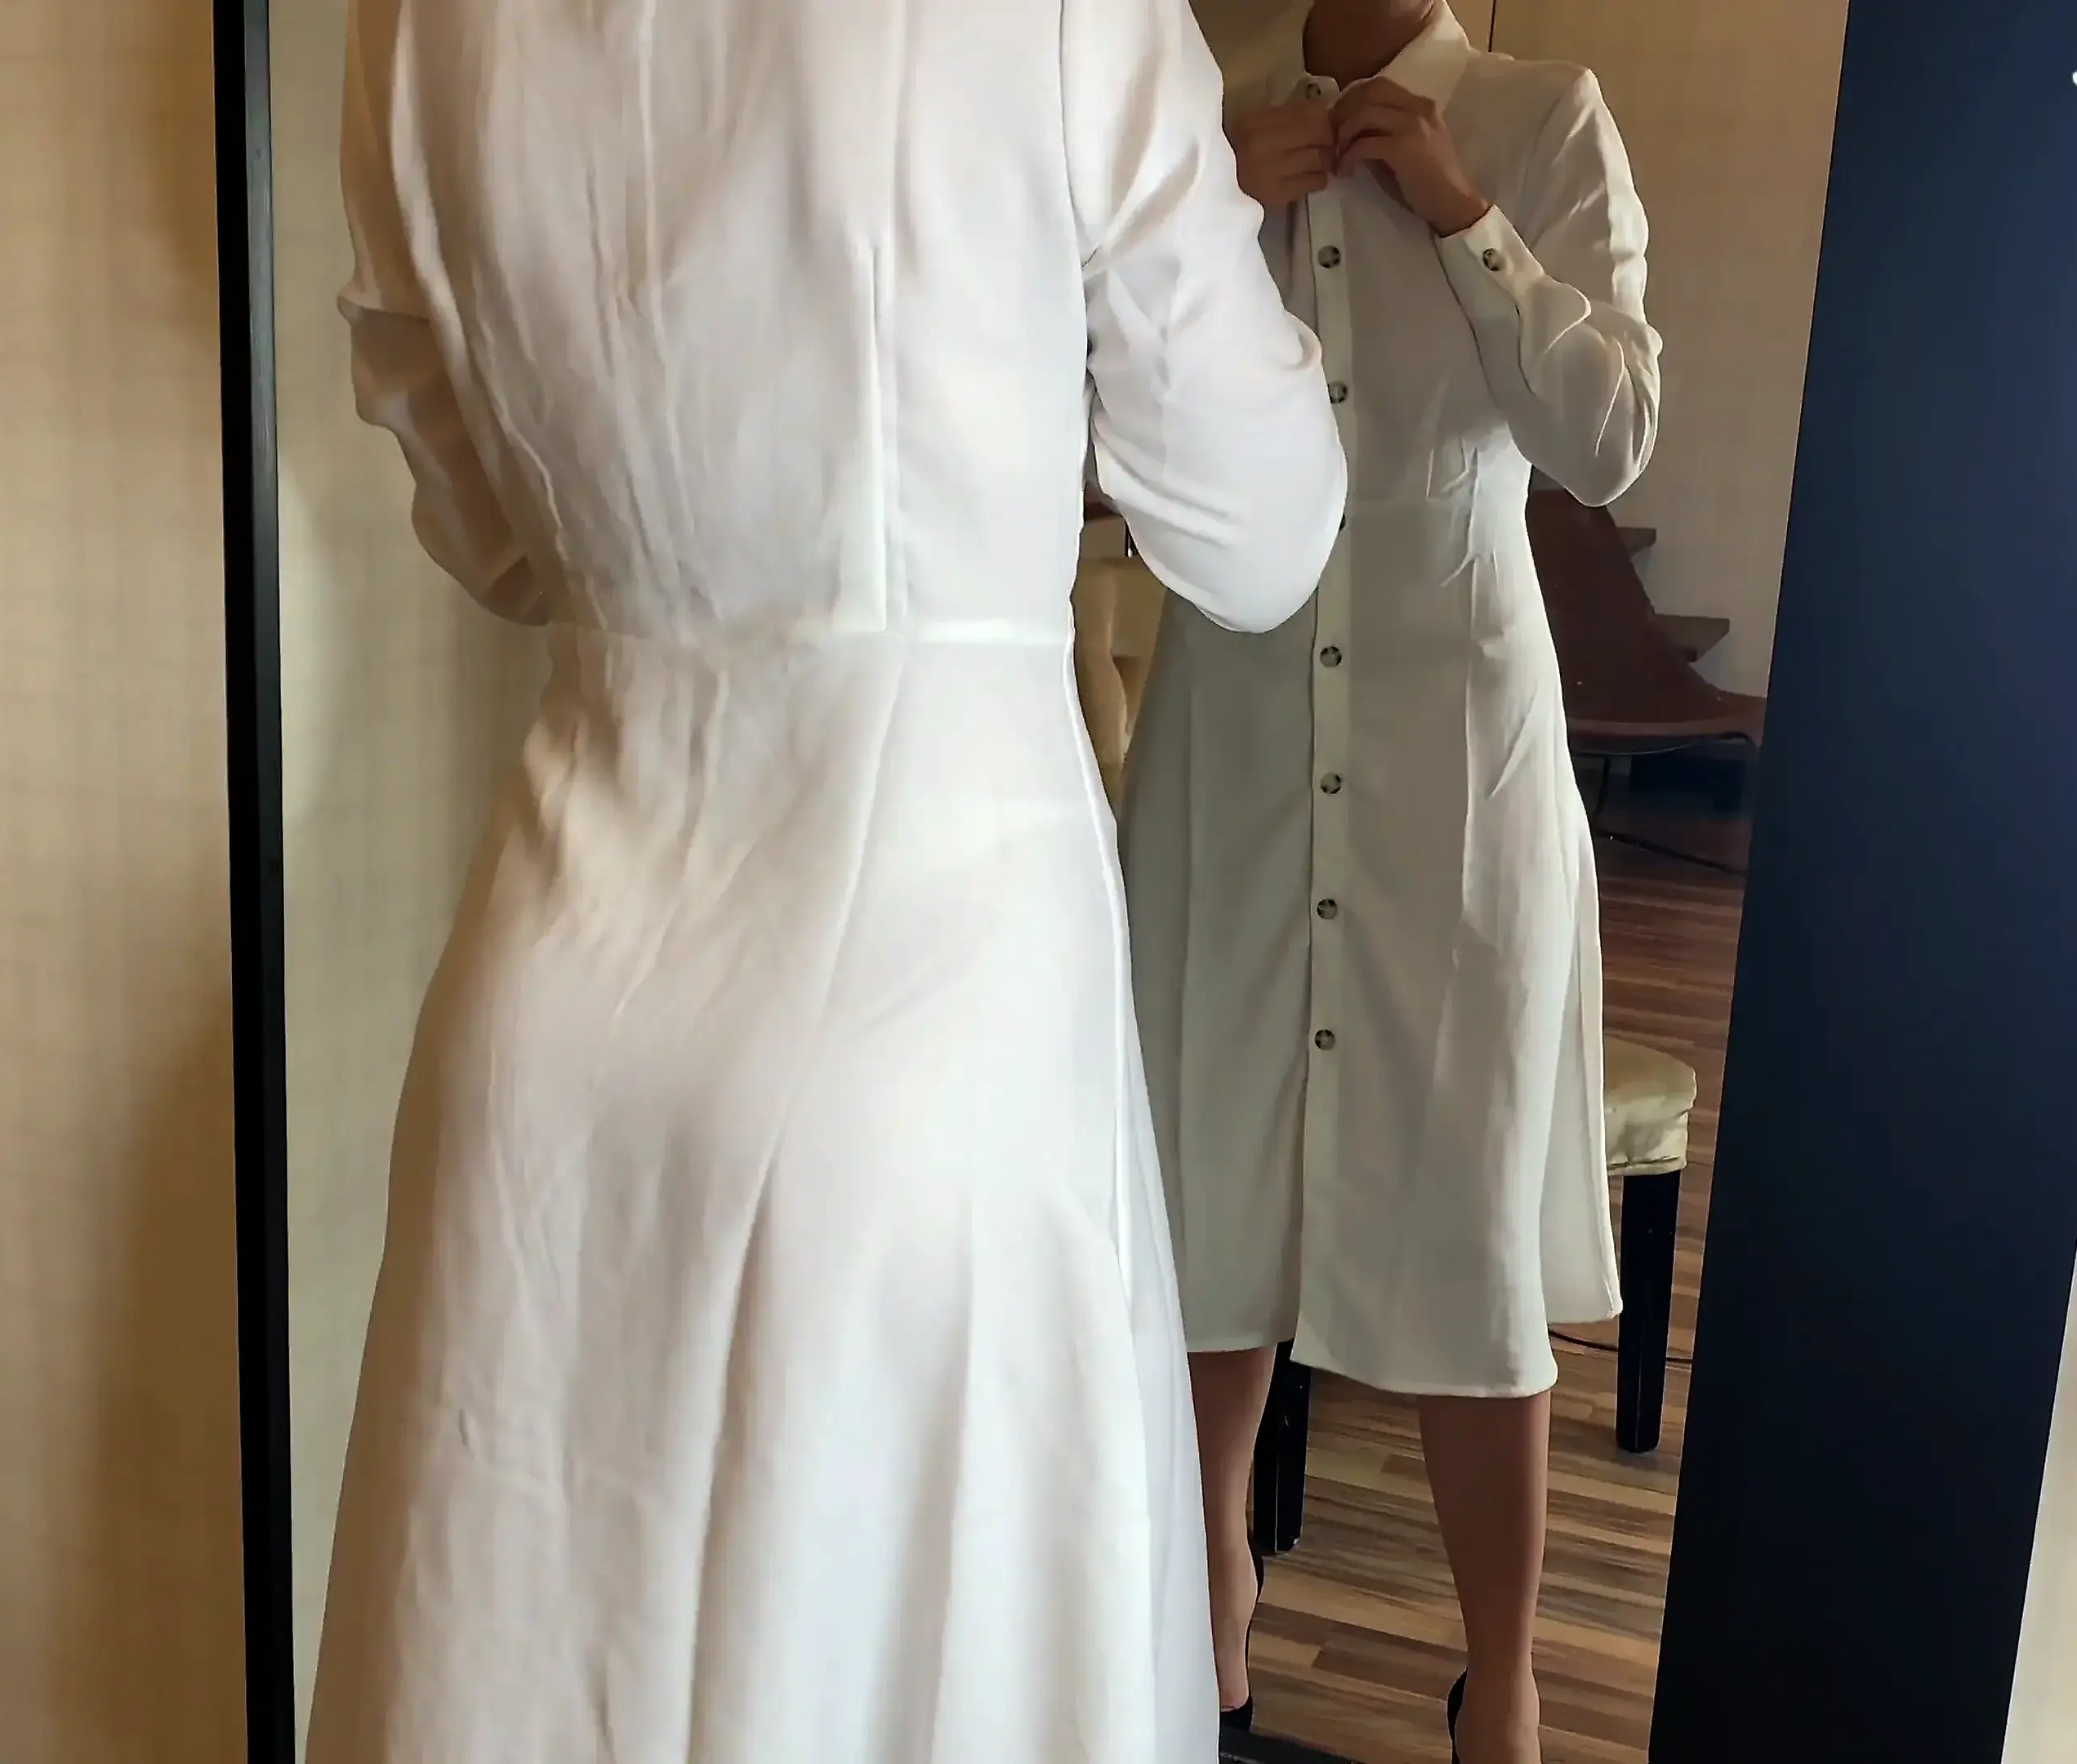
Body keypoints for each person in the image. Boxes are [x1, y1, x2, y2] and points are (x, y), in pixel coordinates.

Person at [302, 0, 1347, 1757]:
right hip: (924, 1021)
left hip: (557, 1013)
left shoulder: (411, 20)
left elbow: (488, 537)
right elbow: (1260, 529)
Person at [1116, 2, 1660, 1760]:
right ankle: (1209, 1597)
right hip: (1232, 726)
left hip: (1460, 747)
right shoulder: (1187, 117)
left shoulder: (1543, 119)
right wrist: (1200, 223)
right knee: (1208, 1176)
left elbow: (1612, 436)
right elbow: (1080, 430)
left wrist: (1468, 218)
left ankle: (1501, 1677)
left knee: (1467, 1205)